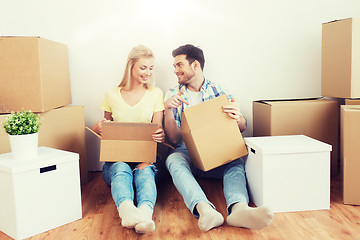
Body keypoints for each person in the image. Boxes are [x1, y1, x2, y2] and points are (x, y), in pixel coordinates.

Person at [164, 44, 273, 232]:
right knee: (173, 159)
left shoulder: (218, 91)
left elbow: (242, 127)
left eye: (179, 65)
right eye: (174, 66)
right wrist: (168, 110)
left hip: (215, 151)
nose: (175, 70)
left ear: (195, 65)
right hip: (187, 152)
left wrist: (237, 117)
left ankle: (239, 209)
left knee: (236, 162)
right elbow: (173, 140)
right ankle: (205, 209)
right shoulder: (173, 94)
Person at [92, 45, 165, 234]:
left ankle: (144, 216)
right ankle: (126, 212)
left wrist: (160, 135)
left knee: (146, 173)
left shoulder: (156, 93)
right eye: (143, 67)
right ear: (130, 66)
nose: (148, 72)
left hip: (145, 160)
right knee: (121, 167)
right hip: (116, 164)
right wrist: (98, 127)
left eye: (151, 68)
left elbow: (158, 131)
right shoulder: (111, 94)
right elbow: (104, 132)